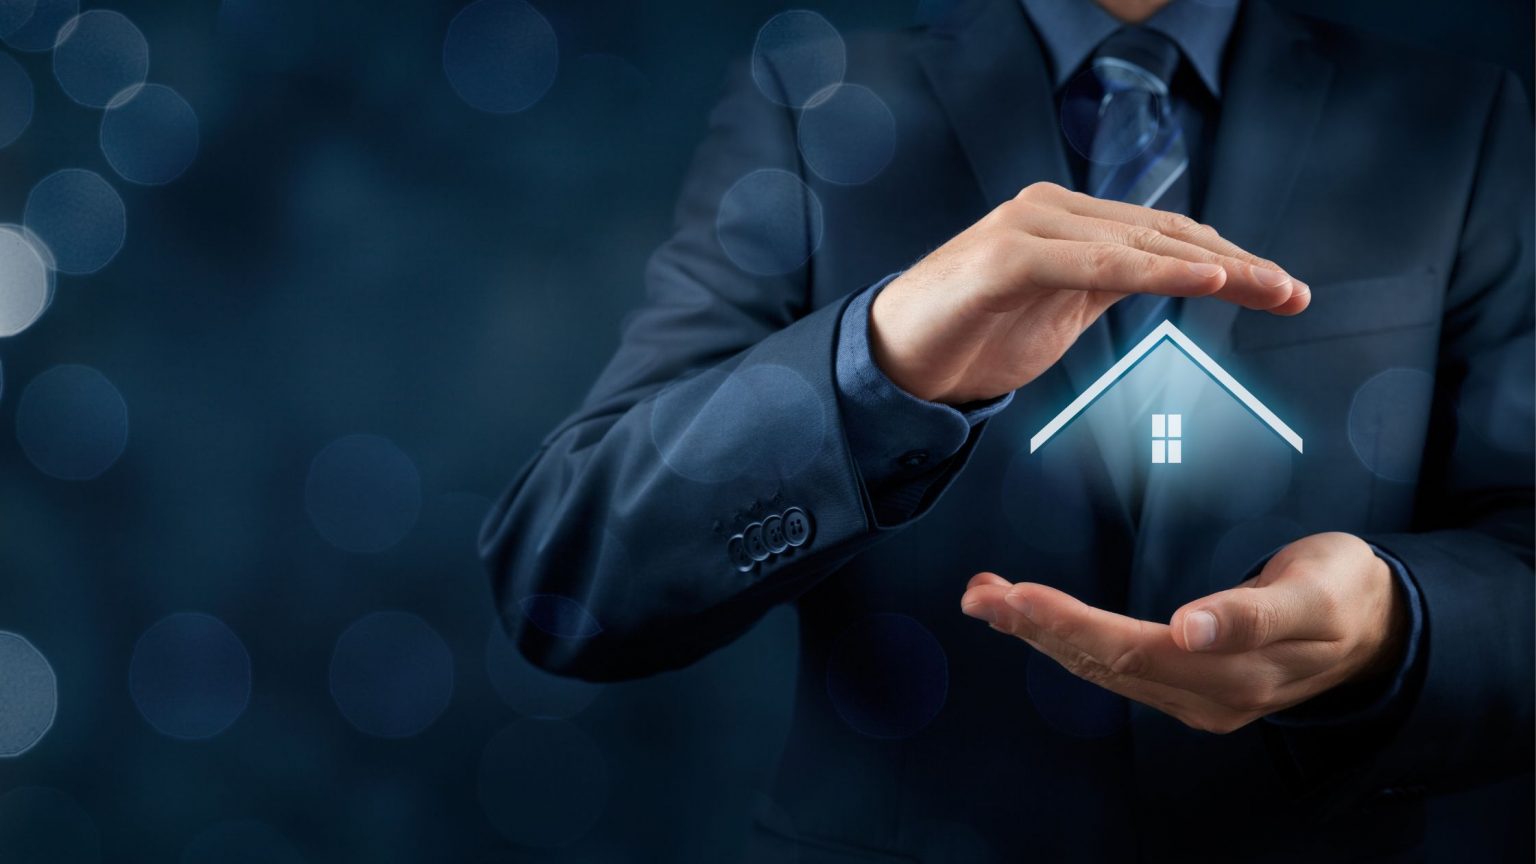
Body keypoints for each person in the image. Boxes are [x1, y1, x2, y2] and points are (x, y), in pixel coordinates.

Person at [480, 0, 1534, 858]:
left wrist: (1395, 626)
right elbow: (566, 577)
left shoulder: (1457, 115)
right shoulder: (816, 100)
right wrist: (874, 363)